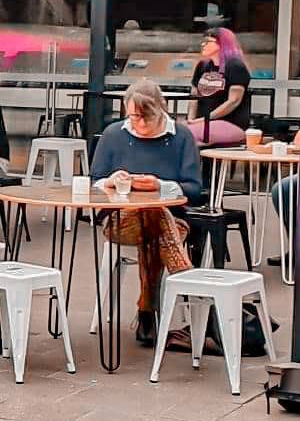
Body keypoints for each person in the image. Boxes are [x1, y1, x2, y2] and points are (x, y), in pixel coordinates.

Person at [88, 80, 204, 347]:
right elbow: (94, 182)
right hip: (120, 220)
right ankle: (188, 282)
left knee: (154, 216)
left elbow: (195, 190)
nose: (139, 123)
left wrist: (159, 186)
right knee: (152, 215)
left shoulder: (181, 137)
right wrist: (111, 181)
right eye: (133, 116)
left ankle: (146, 311)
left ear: (160, 109)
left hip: (172, 221)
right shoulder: (114, 134)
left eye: (145, 116)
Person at [186, 27, 251, 146]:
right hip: (201, 123)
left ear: (222, 44)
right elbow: (194, 97)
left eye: (208, 42)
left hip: (230, 123)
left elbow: (233, 101)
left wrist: (205, 119)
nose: (203, 44)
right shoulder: (202, 66)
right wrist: (191, 119)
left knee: (186, 134)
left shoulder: (235, 67)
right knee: (176, 131)